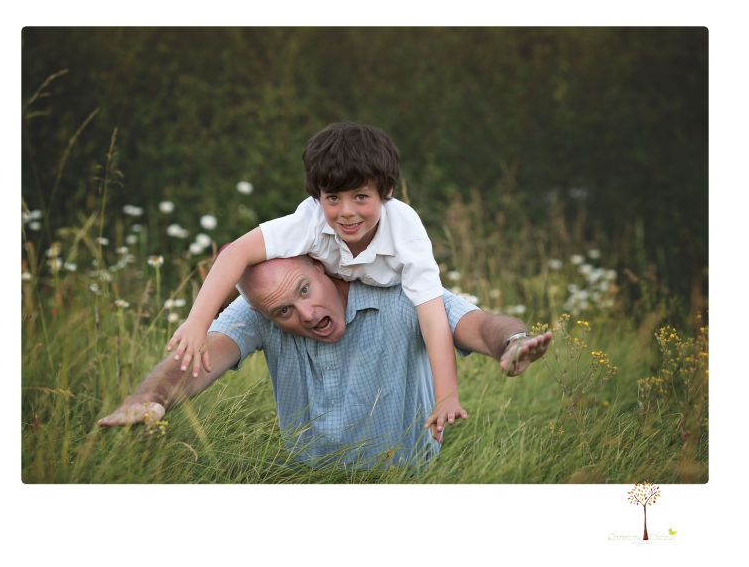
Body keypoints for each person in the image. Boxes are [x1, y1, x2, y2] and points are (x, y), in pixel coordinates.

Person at [99, 255, 552, 469]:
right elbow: (192, 363)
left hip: (408, 484)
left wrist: (511, 341)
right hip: (310, 484)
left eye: (304, 290)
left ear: (323, 268)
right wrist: (149, 398)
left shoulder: (403, 290)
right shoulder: (254, 311)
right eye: (283, 312)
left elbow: (480, 323)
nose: (307, 314)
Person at [166, 122, 464, 440]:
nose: (346, 212)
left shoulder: (406, 231)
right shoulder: (309, 220)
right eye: (333, 198)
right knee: (251, 271)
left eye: (361, 196)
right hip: (324, 291)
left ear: (387, 192)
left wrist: (446, 395)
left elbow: (432, 315)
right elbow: (235, 252)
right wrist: (197, 322)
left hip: (384, 299)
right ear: (317, 195)